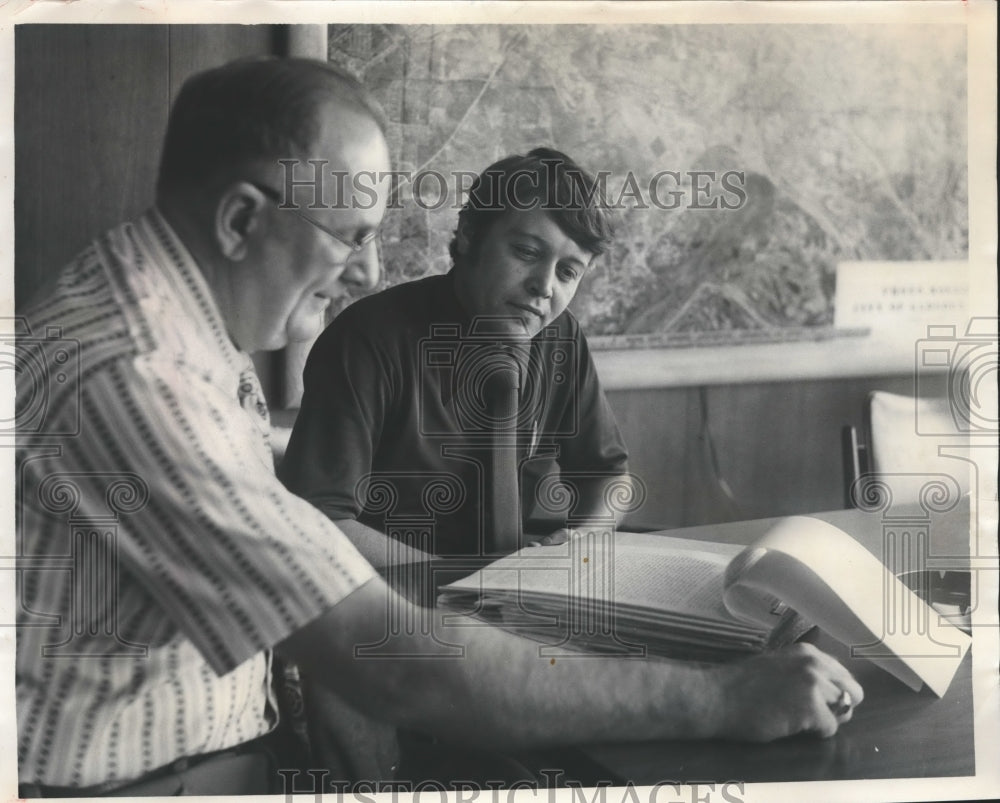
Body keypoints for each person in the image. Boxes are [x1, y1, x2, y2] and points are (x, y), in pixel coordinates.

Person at [16, 56, 863, 798]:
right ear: (241, 220)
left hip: (230, 744)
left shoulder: (168, 317)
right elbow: (401, 667)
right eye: (351, 235)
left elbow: (606, 472)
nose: (372, 269)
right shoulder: (138, 374)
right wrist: (724, 698)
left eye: (569, 269)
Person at [279, 148, 631, 563]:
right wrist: (462, 582)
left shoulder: (562, 338)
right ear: (469, 235)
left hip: (510, 590)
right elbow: (321, 520)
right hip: (389, 595)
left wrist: (579, 542)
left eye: (568, 272)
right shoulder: (368, 339)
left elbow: (607, 476)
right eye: (527, 253)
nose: (545, 286)